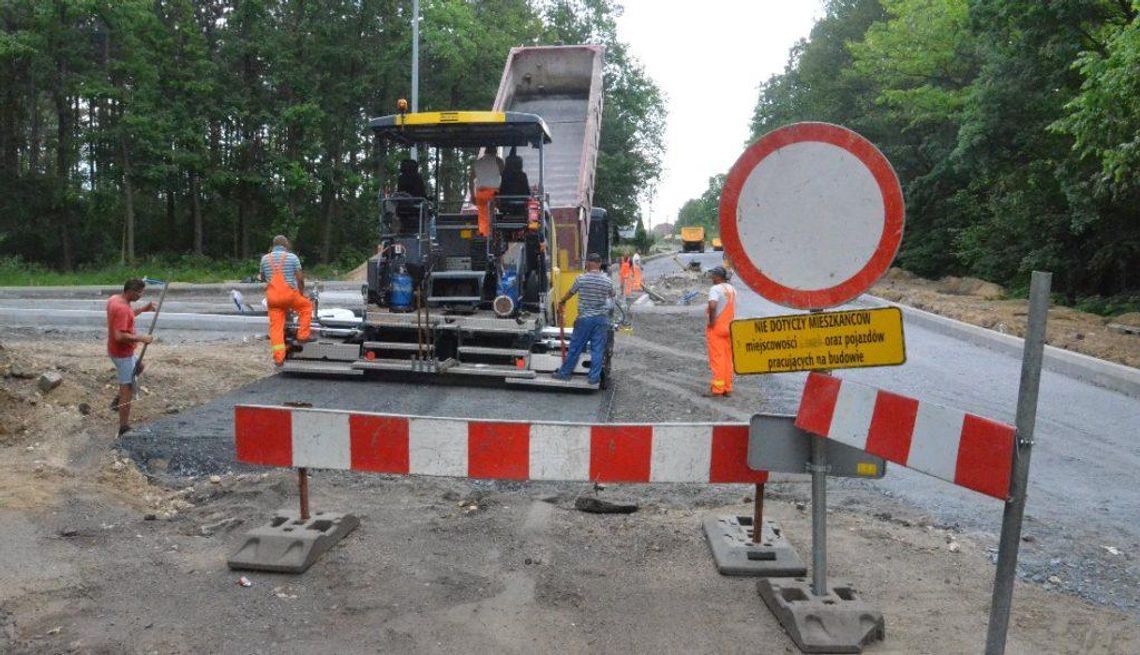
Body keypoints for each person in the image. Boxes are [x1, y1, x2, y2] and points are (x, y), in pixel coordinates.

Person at [552, 253, 615, 386]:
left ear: (588, 263)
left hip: (585, 319)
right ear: (599, 264)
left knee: (575, 347)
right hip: (601, 320)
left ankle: (564, 374)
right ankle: (593, 378)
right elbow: (612, 295)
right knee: (597, 349)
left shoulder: (581, 279)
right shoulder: (607, 281)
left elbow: (571, 292)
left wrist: (562, 301)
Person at [106, 278, 156, 436]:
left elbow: (125, 318)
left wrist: (143, 309)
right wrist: (142, 338)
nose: (141, 295)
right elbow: (119, 335)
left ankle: (119, 399)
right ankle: (123, 427)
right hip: (123, 354)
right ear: (131, 291)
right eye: (140, 292)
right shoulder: (123, 309)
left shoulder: (115, 299)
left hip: (116, 350)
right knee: (127, 389)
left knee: (139, 367)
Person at [260, 235, 312, 366]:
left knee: (276, 328)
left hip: (273, 299)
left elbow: (263, 278)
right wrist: (301, 294)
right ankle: (302, 335)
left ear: (273, 246)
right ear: (286, 245)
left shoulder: (265, 259)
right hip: (289, 296)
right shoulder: (292, 257)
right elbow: (300, 278)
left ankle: (279, 358)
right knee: (306, 307)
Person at [706, 266, 736, 397]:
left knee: (717, 359)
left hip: (717, 328)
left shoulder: (715, 289)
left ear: (718, 277)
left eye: (713, 275)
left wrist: (712, 321)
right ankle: (727, 388)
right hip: (730, 328)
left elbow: (712, 306)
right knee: (727, 359)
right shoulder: (732, 289)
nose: (712, 278)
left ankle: (718, 389)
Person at [470, 146, 503, 237]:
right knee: (491, 215)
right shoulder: (498, 161)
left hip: (480, 192)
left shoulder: (478, 163)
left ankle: (484, 235)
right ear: (495, 152)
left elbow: (471, 180)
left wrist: (472, 195)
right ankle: (491, 236)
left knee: (483, 216)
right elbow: (505, 178)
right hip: (493, 193)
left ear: (485, 152)